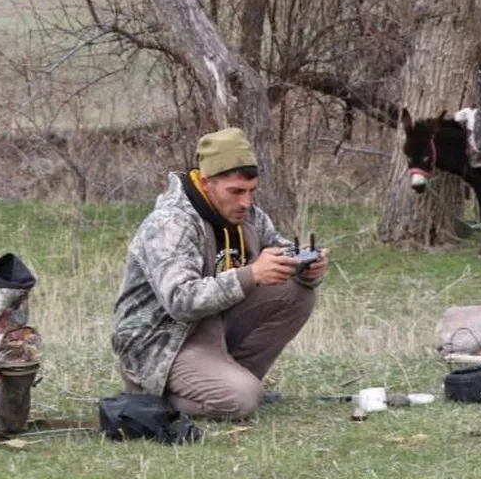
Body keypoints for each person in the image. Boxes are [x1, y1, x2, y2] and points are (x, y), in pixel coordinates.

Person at [112, 127, 329, 419]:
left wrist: (307, 267)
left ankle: (227, 378)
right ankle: (152, 397)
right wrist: (251, 275)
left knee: (297, 293)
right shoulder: (171, 224)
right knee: (242, 399)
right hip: (160, 341)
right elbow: (180, 301)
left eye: (252, 191)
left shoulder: (247, 216)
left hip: (209, 328)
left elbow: (280, 254)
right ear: (206, 183)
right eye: (236, 192)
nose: (246, 202)